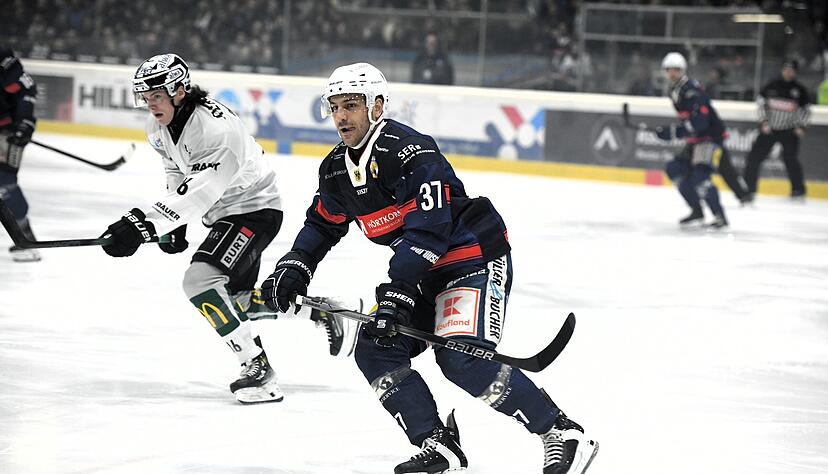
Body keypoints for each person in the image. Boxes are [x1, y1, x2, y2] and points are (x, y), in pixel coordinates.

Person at [260, 62, 598, 474]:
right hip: (425, 271)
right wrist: (295, 267)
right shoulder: (335, 169)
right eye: (334, 107)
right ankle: (438, 445)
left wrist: (397, 295)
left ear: (377, 106)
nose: (341, 116)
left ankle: (562, 433)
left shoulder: (412, 152)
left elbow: (430, 230)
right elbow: (321, 224)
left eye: (351, 105)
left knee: (462, 360)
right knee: (375, 348)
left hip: (472, 258)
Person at [100, 53, 356, 404]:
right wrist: (172, 222)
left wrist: (144, 225)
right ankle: (321, 310)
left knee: (200, 282)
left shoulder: (215, 129)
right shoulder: (158, 127)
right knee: (234, 301)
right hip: (227, 214)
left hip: (254, 211)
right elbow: (179, 174)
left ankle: (257, 368)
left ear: (179, 90)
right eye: (145, 97)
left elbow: (204, 188)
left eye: (156, 95)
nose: (150, 104)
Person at [656, 52, 750, 228]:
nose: (673, 73)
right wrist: (674, 132)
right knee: (674, 169)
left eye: (677, 70)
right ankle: (697, 211)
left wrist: (675, 132)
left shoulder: (691, 90)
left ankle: (719, 216)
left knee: (701, 177)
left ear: (683, 70)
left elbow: (700, 122)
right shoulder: (674, 90)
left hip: (710, 139)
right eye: (669, 70)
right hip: (697, 139)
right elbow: (690, 121)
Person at [743, 60, 811, 200]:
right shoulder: (771, 86)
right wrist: (763, 122)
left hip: (789, 131)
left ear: (795, 72)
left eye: (791, 70)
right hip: (770, 129)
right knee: (754, 157)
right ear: (782, 70)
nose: (788, 72)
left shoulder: (800, 90)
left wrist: (801, 126)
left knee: (790, 160)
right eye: (786, 69)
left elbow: (806, 111)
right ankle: (749, 188)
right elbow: (761, 104)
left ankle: (798, 190)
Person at [0, 47, 41, 262]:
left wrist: (24, 123)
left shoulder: (3, 60)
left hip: (9, 131)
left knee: (4, 183)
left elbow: (26, 90)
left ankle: (25, 238)